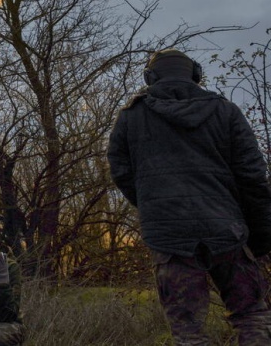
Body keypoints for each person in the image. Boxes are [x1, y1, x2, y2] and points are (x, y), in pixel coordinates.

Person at [108, 49, 271, 345]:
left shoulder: (131, 116)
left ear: (151, 77)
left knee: (188, 330)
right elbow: (253, 177)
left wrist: (154, 206)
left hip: (169, 238)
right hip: (228, 231)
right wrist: (261, 235)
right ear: (195, 75)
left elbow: (121, 173)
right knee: (251, 316)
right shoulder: (226, 111)